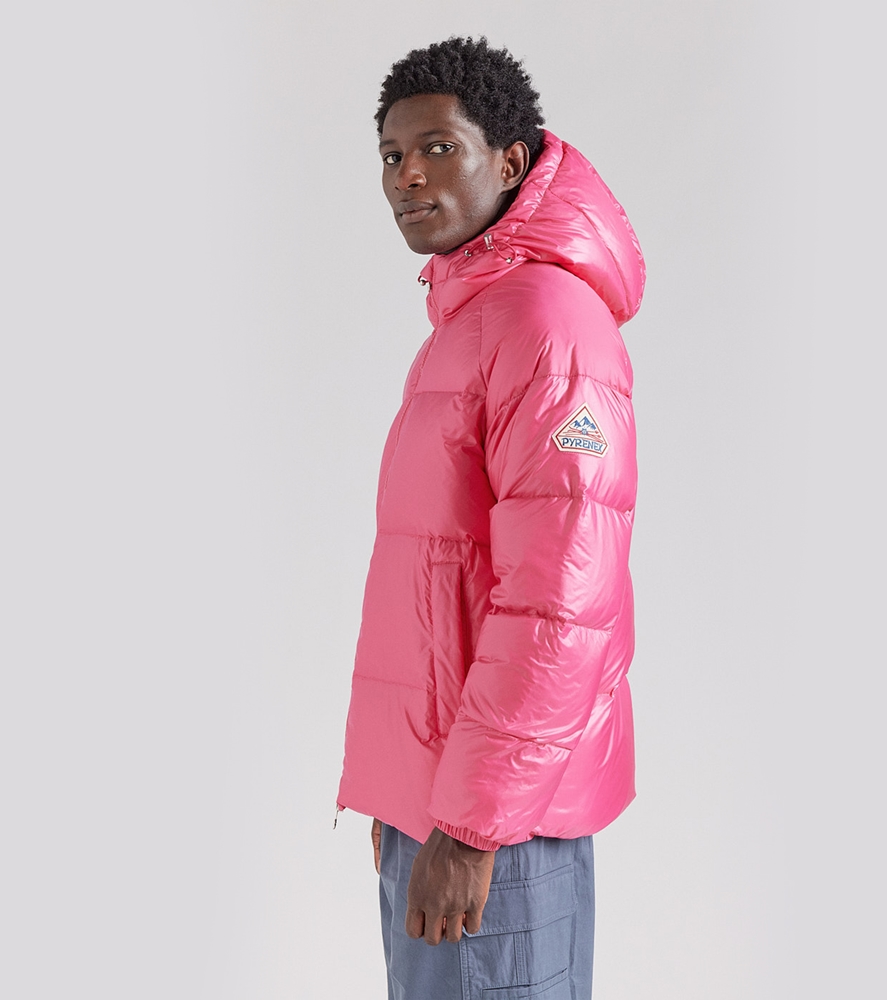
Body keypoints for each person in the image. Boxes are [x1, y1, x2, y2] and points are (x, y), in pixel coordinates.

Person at [336, 37, 645, 999]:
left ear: (509, 161)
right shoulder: (472, 323)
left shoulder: (544, 326)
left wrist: (470, 827)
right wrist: (404, 788)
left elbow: (561, 602)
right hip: (446, 799)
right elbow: (443, 580)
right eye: (392, 155)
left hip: (495, 822)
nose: (407, 175)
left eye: (438, 148)